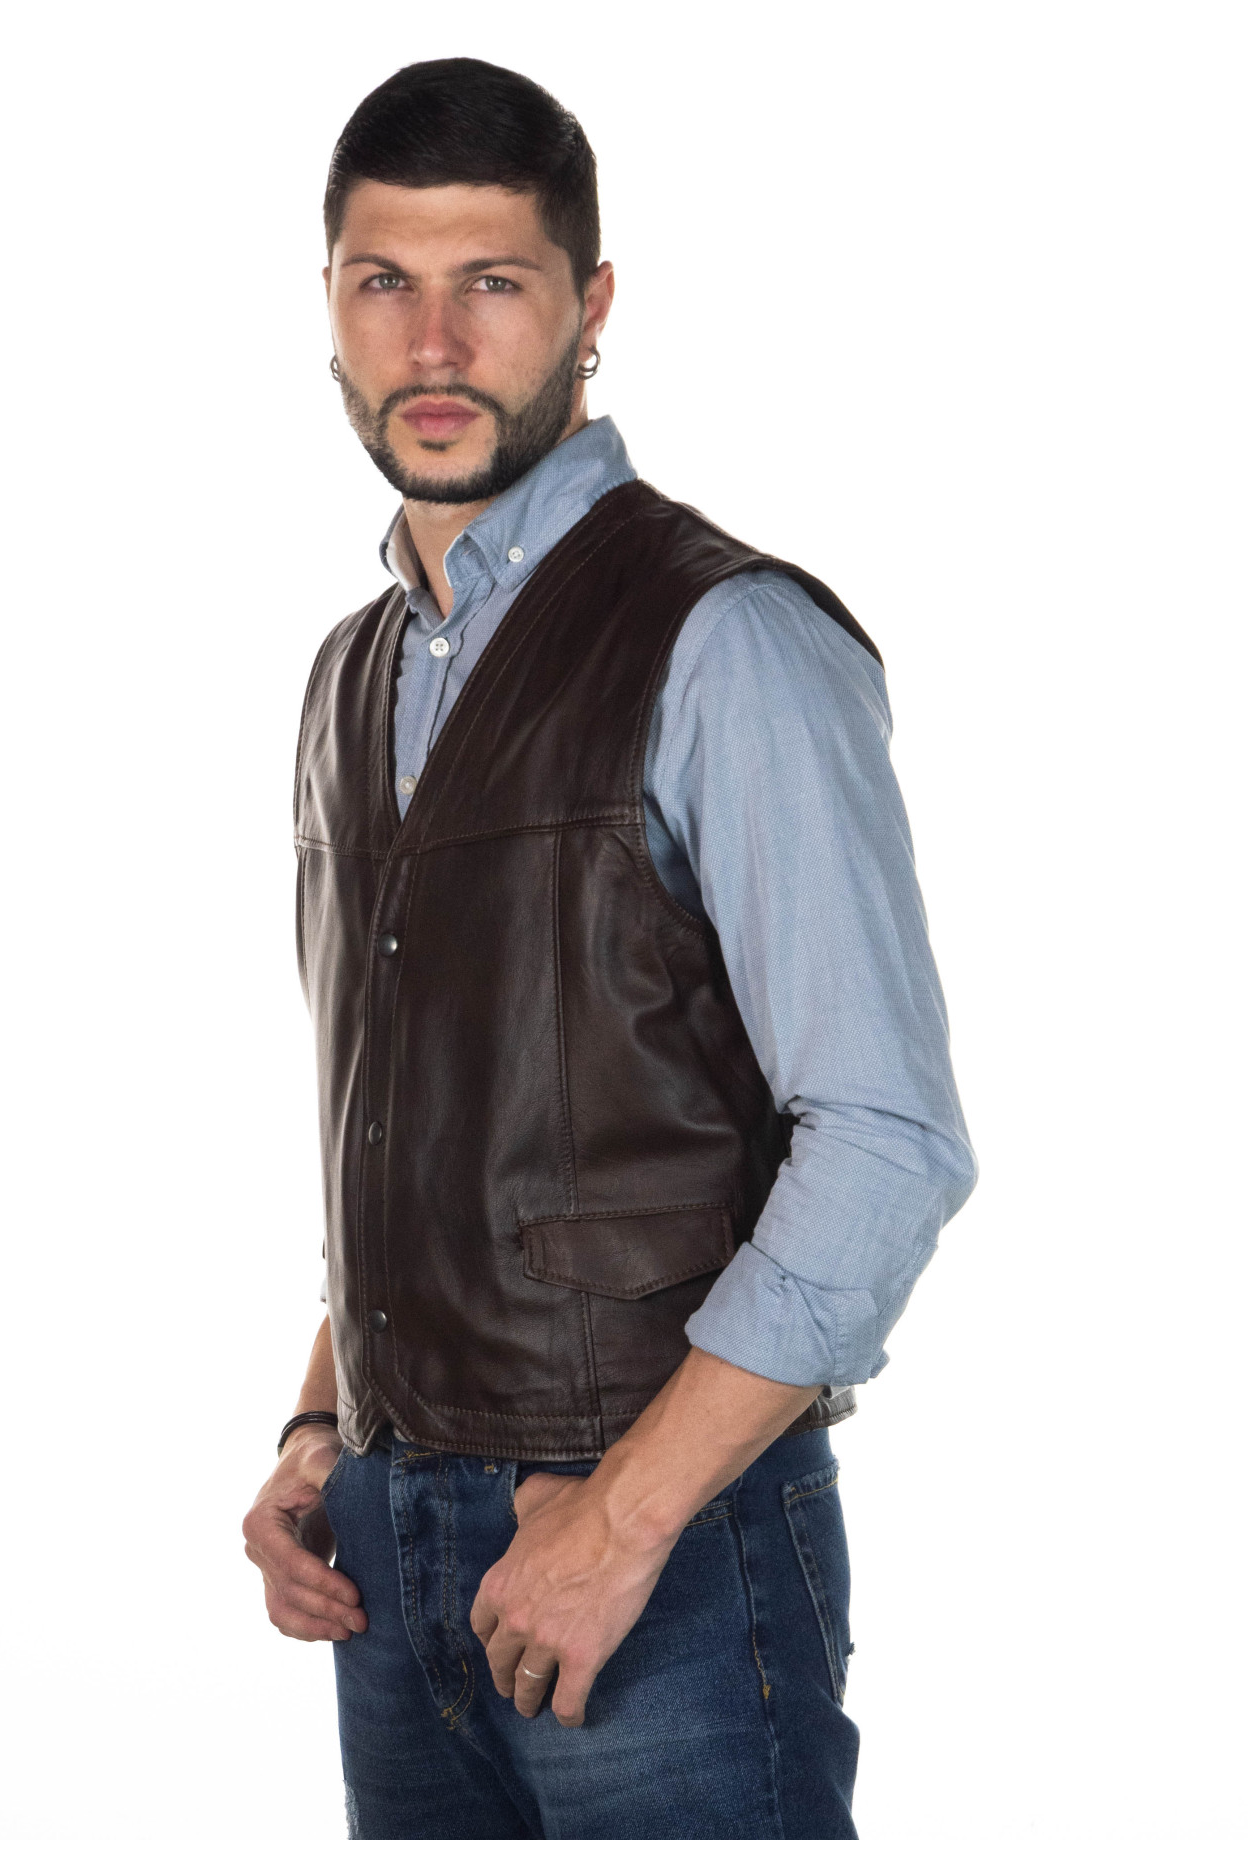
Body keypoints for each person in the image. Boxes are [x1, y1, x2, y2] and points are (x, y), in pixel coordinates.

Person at [241, 58, 975, 1841]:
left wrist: (624, 1521)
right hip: (388, 1546)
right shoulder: (352, 672)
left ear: (591, 305)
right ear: (327, 304)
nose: (432, 343)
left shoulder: (727, 640)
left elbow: (886, 1144)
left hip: (659, 1544)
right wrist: (318, 1426)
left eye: (491, 282)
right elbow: (425, 1121)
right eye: (384, 282)